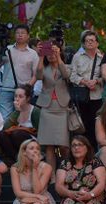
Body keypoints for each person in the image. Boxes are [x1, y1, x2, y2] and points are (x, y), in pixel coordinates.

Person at [35, 42, 70, 176]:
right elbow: (38, 76)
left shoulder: (64, 66)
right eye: (48, 53)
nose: (51, 56)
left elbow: (66, 75)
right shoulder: (44, 68)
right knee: (49, 145)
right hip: (47, 108)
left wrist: (58, 56)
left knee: (63, 145)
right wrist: (40, 57)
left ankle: (65, 172)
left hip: (62, 108)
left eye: (53, 52)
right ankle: (52, 176)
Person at [70, 30, 104, 149]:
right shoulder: (77, 57)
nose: (89, 43)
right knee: (82, 126)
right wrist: (85, 82)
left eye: (92, 40)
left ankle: (94, 152)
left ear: (97, 43)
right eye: (87, 41)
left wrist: (96, 81)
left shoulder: (102, 58)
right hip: (81, 96)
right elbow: (72, 76)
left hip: (96, 95)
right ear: (83, 44)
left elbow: (104, 76)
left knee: (95, 125)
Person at [0, 24, 39, 120]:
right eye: (17, 33)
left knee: (22, 117)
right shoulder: (7, 49)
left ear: (28, 36)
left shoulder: (33, 53)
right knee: (5, 118)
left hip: (23, 91)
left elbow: (36, 74)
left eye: (23, 33)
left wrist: (28, 87)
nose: (20, 35)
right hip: (7, 88)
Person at [0, 84, 40, 164]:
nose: (17, 99)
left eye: (20, 97)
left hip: (32, 141)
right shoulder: (16, 111)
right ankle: (16, 158)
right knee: (2, 134)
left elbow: (41, 132)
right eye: (15, 96)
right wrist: (17, 111)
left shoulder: (35, 111)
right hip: (17, 143)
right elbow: (5, 128)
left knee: (17, 134)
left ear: (27, 98)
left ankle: (24, 159)